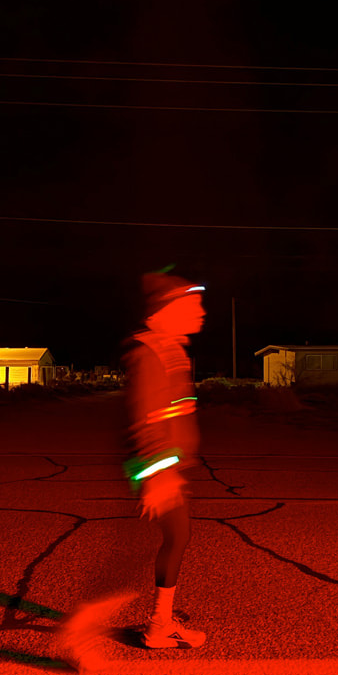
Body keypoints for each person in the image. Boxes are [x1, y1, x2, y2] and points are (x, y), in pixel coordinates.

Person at [122, 269, 207, 649]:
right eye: (193, 304)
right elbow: (145, 419)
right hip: (160, 471)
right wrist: (158, 475)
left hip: (170, 467)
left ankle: (160, 623)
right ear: (167, 310)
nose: (201, 312)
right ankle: (82, 633)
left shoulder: (171, 350)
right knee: (129, 557)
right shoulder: (150, 352)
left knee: (175, 539)